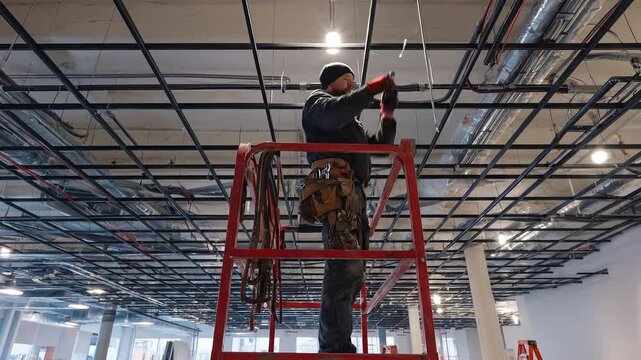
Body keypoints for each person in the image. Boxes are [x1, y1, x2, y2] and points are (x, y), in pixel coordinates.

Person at [301, 62, 398, 353]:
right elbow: (335, 113)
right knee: (344, 267)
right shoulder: (318, 103)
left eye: (354, 82)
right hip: (336, 191)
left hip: (352, 194)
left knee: (354, 270)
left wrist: (387, 114)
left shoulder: (348, 124)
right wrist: (370, 91)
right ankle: (333, 347)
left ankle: (336, 342)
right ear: (330, 83)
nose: (352, 85)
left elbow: (379, 148)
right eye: (347, 80)